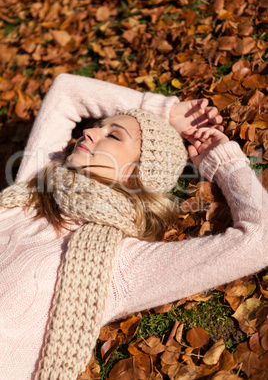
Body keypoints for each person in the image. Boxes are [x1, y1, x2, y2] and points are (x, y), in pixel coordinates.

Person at [0, 74, 267, 380]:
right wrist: (168, 112)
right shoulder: (34, 188)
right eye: (98, 127)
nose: (87, 132)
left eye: (113, 136)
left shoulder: (118, 263)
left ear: (134, 176)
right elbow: (66, 91)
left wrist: (224, 161)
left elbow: (261, 237)